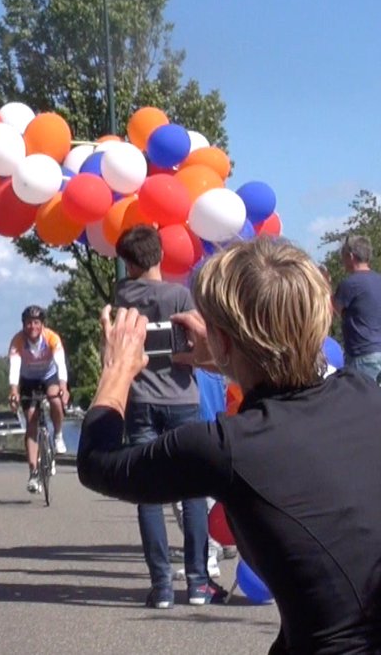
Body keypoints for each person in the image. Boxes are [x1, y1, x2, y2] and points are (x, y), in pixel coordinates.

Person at [78, 237, 381, 653]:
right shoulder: (364, 393)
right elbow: (300, 381)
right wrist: (226, 356)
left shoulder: (226, 446)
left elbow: (98, 463)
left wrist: (116, 371)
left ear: (221, 339)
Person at [111, 225, 218, 608]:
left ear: (128, 262)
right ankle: (198, 583)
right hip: (181, 400)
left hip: (139, 402)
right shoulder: (178, 296)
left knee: (148, 494)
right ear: (159, 256)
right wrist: (186, 358)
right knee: (191, 489)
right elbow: (201, 342)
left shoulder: (122, 298)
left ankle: (161, 586)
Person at [7, 305, 69, 494]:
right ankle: (33, 472)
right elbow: (14, 368)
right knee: (31, 420)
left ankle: (58, 435)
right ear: (23, 325)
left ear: (42, 324)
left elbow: (61, 364)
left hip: (49, 376)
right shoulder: (17, 341)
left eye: (36, 322)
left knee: (55, 400)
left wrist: (64, 387)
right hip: (28, 380)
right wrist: (14, 391)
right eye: (28, 323)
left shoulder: (52, 338)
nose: (32, 326)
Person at [333, 235, 381, 383]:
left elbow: (332, 311)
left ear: (351, 256)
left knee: (361, 403)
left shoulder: (349, 284)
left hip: (361, 355)